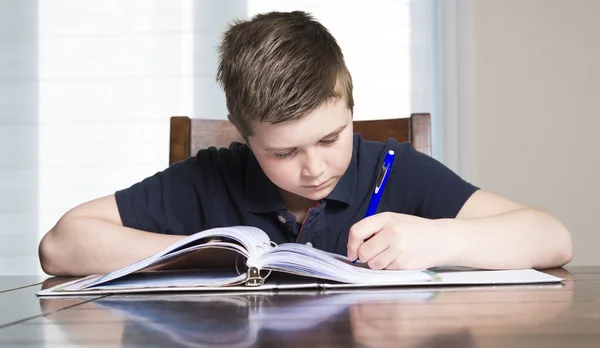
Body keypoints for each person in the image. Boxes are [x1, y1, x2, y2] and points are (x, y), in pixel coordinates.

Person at [38, 11, 573, 277]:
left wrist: (440, 240)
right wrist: (202, 254)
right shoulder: (213, 175)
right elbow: (61, 245)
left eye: (330, 137)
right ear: (244, 136)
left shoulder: (396, 169)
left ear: (350, 106)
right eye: (283, 153)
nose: (315, 168)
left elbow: (551, 238)